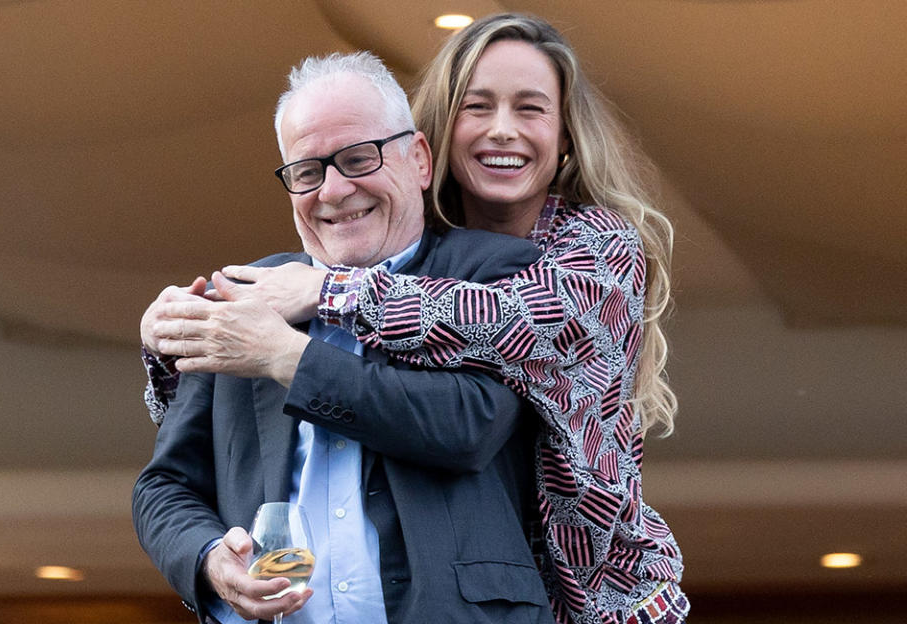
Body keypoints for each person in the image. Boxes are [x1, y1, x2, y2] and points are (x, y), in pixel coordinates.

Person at [141, 13, 689, 624]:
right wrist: (175, 340)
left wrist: (315, 308)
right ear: (439, 134)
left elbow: (496, 335)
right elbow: (180, 472)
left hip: (599, 595)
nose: (501, 130)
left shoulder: (580, 250)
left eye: (530, 109)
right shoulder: (274, 286)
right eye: (477, 107)